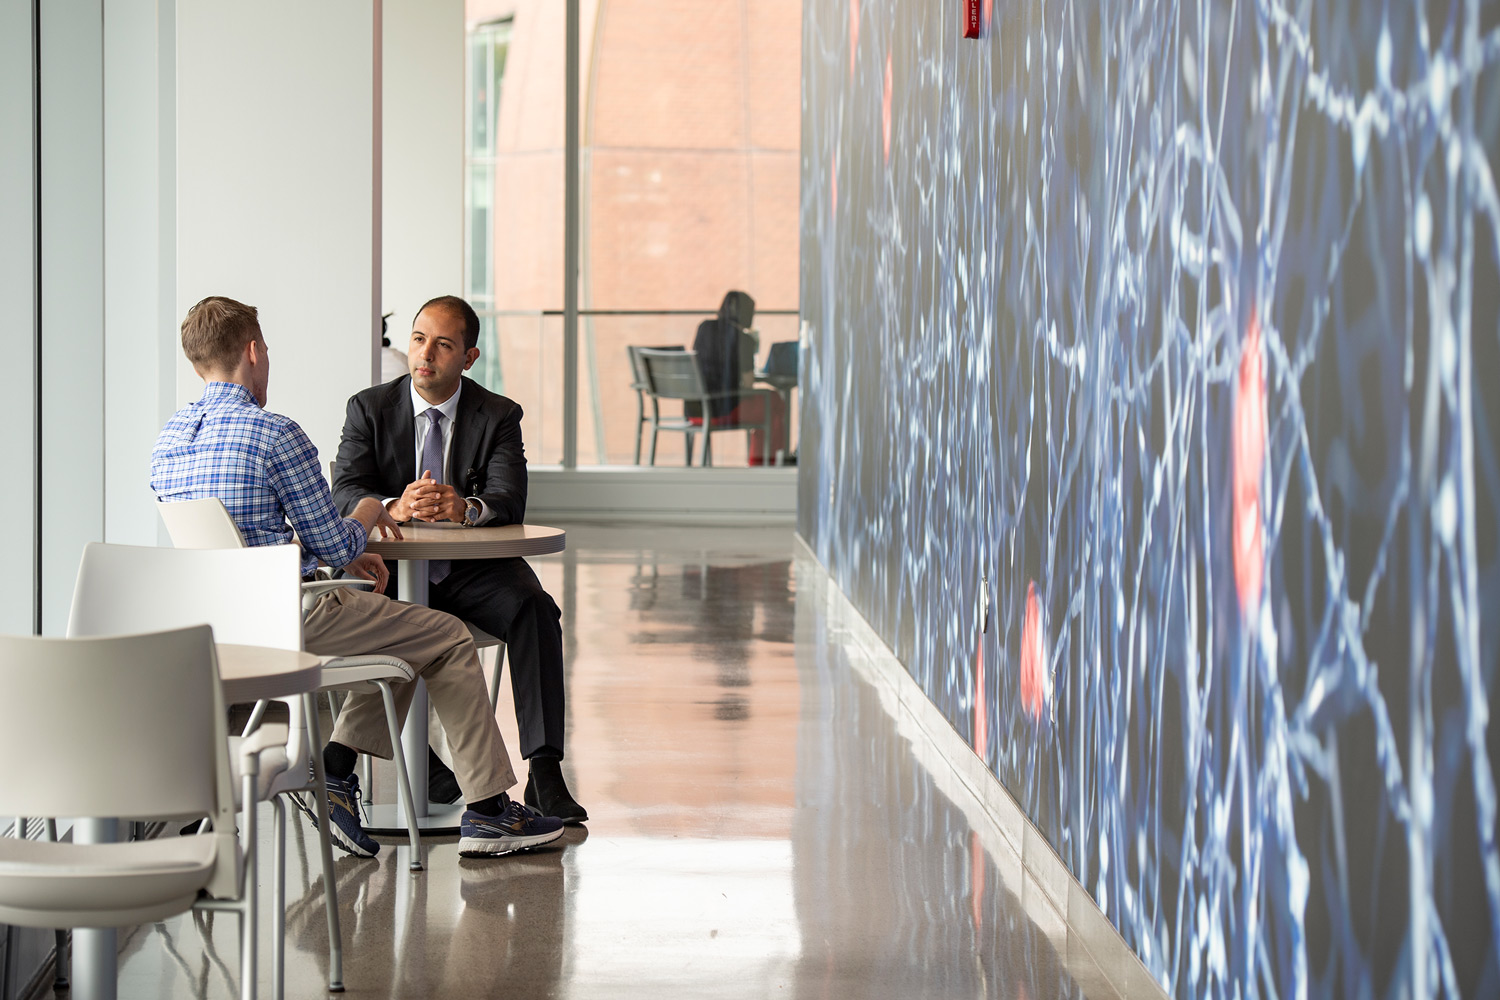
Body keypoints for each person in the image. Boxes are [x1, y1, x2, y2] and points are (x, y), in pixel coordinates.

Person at [151, 295, 564, 860]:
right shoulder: (276, 435)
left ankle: (340, 771)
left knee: (405, 634)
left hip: (222, 628)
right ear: (252, 351)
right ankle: (489, 811)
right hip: (296, 612)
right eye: (266, 348)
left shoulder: (167, 443)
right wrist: (373, 511)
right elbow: (334, 541)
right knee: (443, 634)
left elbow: (240, 540)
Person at [331, 295, 588, 824]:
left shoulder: (497, 414)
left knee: (535, 609)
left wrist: (465, 508)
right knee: (395, 627)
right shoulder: (368, 407)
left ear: (468, 358)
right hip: (393, 570)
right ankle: (417, 765)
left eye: (444, 345)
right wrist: (392, 505)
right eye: (420, 339)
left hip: (473, 570)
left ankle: (544, 773)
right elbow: (343, 491)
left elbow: (509, 500)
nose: (425, 355)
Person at [691, 290, 788, 464]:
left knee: (771, 402)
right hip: (722, 411)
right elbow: (749, 385)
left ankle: (768, 460)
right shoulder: (744, 339)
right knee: (774, 400)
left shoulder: (703, 328)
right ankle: (763, 461)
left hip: (694, 411)